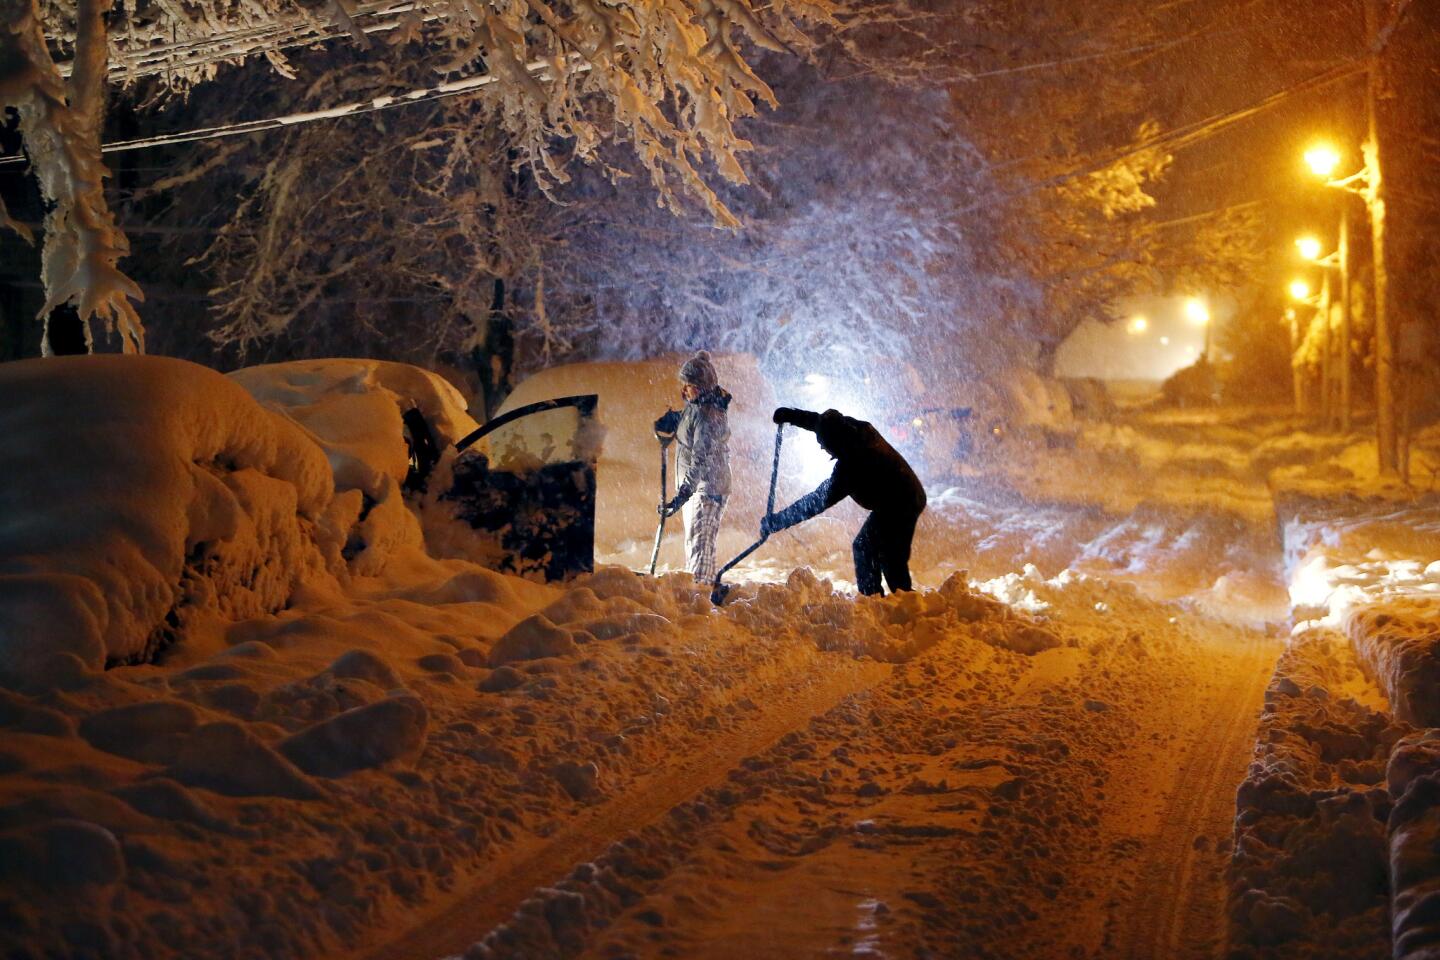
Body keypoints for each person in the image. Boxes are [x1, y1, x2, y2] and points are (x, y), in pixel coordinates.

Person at [763, 407, 926, 595]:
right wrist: (791, 415)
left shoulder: (854, 464)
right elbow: (818, 421)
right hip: (898, 496)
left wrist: (778, 521)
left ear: (835, 442)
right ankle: (884, 601)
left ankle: (885, 603)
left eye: (824, 444)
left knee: (882, 557)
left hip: (902, 502)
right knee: (875, 551)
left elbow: (817, 501)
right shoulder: (849, 428)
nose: (821, 448)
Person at [658, 351, 732, 582]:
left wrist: (684, 493)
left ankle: (701, 594)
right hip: (696, 489)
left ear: (699, 387)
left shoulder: (709, 415)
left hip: (708, 489)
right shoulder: (698, 405)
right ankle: (698, 589)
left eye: (687, 386)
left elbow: (702, 457)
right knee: (695, 540)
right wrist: (676, 419)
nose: (683, 391)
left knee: (700, 544)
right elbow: (692, 418)